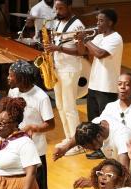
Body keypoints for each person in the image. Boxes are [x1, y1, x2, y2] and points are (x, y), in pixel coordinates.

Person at [7, 60, 55, 189]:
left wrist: (34, 128)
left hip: (36, 150)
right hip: (16, 148)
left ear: (21, 78)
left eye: (11, 75)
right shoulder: (13, 91)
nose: (8, 78)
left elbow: (50, 124)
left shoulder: (41, 97)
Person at [44, 0, 85, 156]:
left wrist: (58, 48)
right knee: (60, 106)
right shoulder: (58, 23)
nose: (58, 11)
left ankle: (78, 143)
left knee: (69, 107)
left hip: (70, 70)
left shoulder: (77, 25)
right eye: (56, 8)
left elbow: (81, 51)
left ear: (69, 7)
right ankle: (69, 138)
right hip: (58, 68)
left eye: (61, 8)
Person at [78, 9, 123, 123]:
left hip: (107, 87)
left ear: (110, 23)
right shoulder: (98, 37)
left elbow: (100, 54)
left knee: (106, 122)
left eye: (101, 20)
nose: (97, 23)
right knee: (93, 122)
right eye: (97, 20)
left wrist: (85, 39)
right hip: (93, 85)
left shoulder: (116, 38)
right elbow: (83, 52)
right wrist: (79, 41)